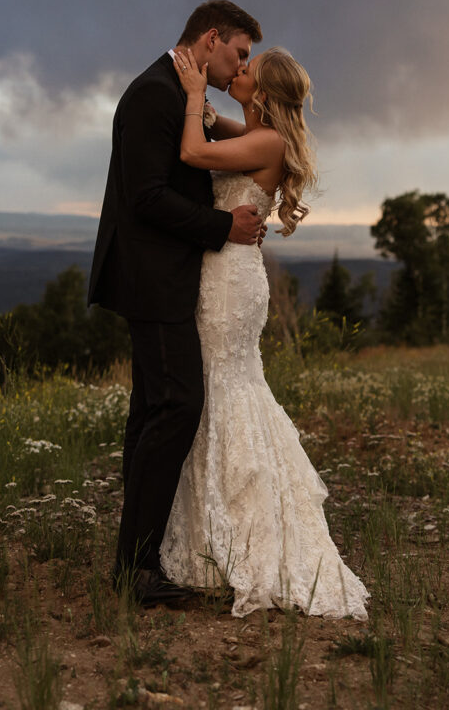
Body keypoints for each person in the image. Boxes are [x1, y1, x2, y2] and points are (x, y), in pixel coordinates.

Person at [160, 45, 370, 619]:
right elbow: (211, 129)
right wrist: (195, 96)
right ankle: (211, 538)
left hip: (229, 280)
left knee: (222, 388)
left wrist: (197, 95)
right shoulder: (254, 131)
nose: (240, 72)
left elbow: (192, 148)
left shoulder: (267, 142)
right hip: (226, 271)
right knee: (219, 387)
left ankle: (238, 540)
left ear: (266, 91)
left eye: (248, 69)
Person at [87, 0, 264, 607]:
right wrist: (223, 228)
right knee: (176, 406)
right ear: (211, 39)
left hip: (165, 276)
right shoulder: (155, 94)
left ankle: (135, 561)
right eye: (239, 53)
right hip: (151, 279)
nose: (241, 64)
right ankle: (137, 569)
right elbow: (147, 199)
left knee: (153, 410)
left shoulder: (178, 93)